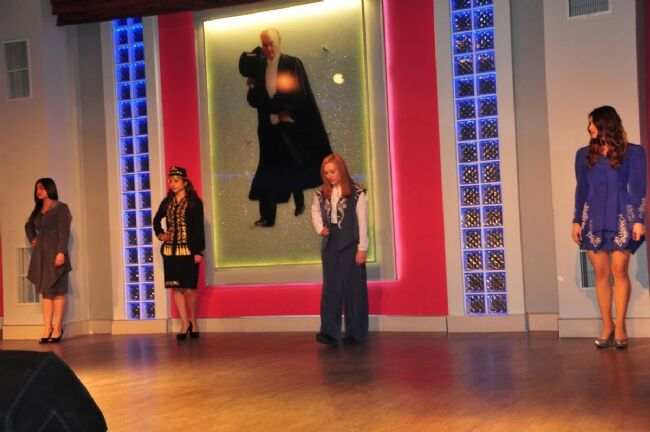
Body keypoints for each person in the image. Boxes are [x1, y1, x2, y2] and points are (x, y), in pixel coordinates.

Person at [572, 106, 646, 349]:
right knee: (601, 273)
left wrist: (639, 220)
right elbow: (582, 189)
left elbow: (638, 188)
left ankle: (621, 326)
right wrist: (576, 220)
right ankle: (607, 325)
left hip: (622, 216)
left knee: (619, 271)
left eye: (592, 122)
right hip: (593, 218)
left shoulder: (633, 153)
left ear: (606, 124)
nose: (589, 127)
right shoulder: (583, 155)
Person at [243, 28, 332, 227]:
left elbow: (300, 94)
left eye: (271, 44)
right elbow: (254, 100)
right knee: (268, 170)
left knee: (293, 164)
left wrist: (286, 114)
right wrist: (252, 86)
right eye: (265, 44)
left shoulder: (292, 63)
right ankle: (267, 216)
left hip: (290, 127)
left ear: (279, 42)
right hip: (268, 130)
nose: (268, 48)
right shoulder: (258, 67)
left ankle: (298, 200)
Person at [311, 154, 369, 346]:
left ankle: (355, 332)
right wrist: (320, 228)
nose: (329, 176)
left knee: (354, 288)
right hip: (330, 243)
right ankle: (329, 331)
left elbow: (362, 222)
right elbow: (315, 211)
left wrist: (362, 248)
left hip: (351, 243)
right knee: (331, 287)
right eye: (326, 173)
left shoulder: (358, 193)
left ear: (341, 170)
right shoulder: (321, 194)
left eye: (333, 172)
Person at [153, 166, 206, 340]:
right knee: (176, 287)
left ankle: (193, 321)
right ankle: (184, 323)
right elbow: (156, 220)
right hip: (171, 252)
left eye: (176, 181)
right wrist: (161, 234)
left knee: (189, 288)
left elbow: (199, 228)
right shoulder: (167, 202)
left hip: (189, 251)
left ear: (185, 182)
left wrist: (198, 251)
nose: (173, 184)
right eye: (170, 181)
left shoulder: (194, 202)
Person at [25, 178, 72, 344]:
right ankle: (47, 328)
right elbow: (28, 225)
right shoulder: (38, 210)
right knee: (45, 291)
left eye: (42, 188)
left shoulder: (61, 207)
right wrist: (33, 239)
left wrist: (61, 252)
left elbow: (64, 232)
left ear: (49, 189)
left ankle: (57, 328)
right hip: (42, 255)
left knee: (58, 291)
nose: (39, 191)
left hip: (56, 253)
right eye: (37, 188)